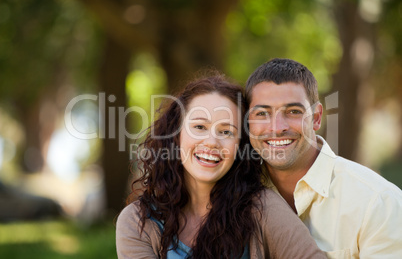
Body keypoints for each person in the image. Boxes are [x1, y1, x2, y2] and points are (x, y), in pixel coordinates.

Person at [116, 74, 326, 259]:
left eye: (226, 132)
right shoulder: (138, 222)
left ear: (241, 145)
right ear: (175, 134)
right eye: (199, 127)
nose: (211, 142)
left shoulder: (263, 208)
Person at [246, 58, 402, 258]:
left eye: (293, 111)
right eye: (262, 113)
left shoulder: (379, 204)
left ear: (317, 117)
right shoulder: (235, 197)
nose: (277, 127)